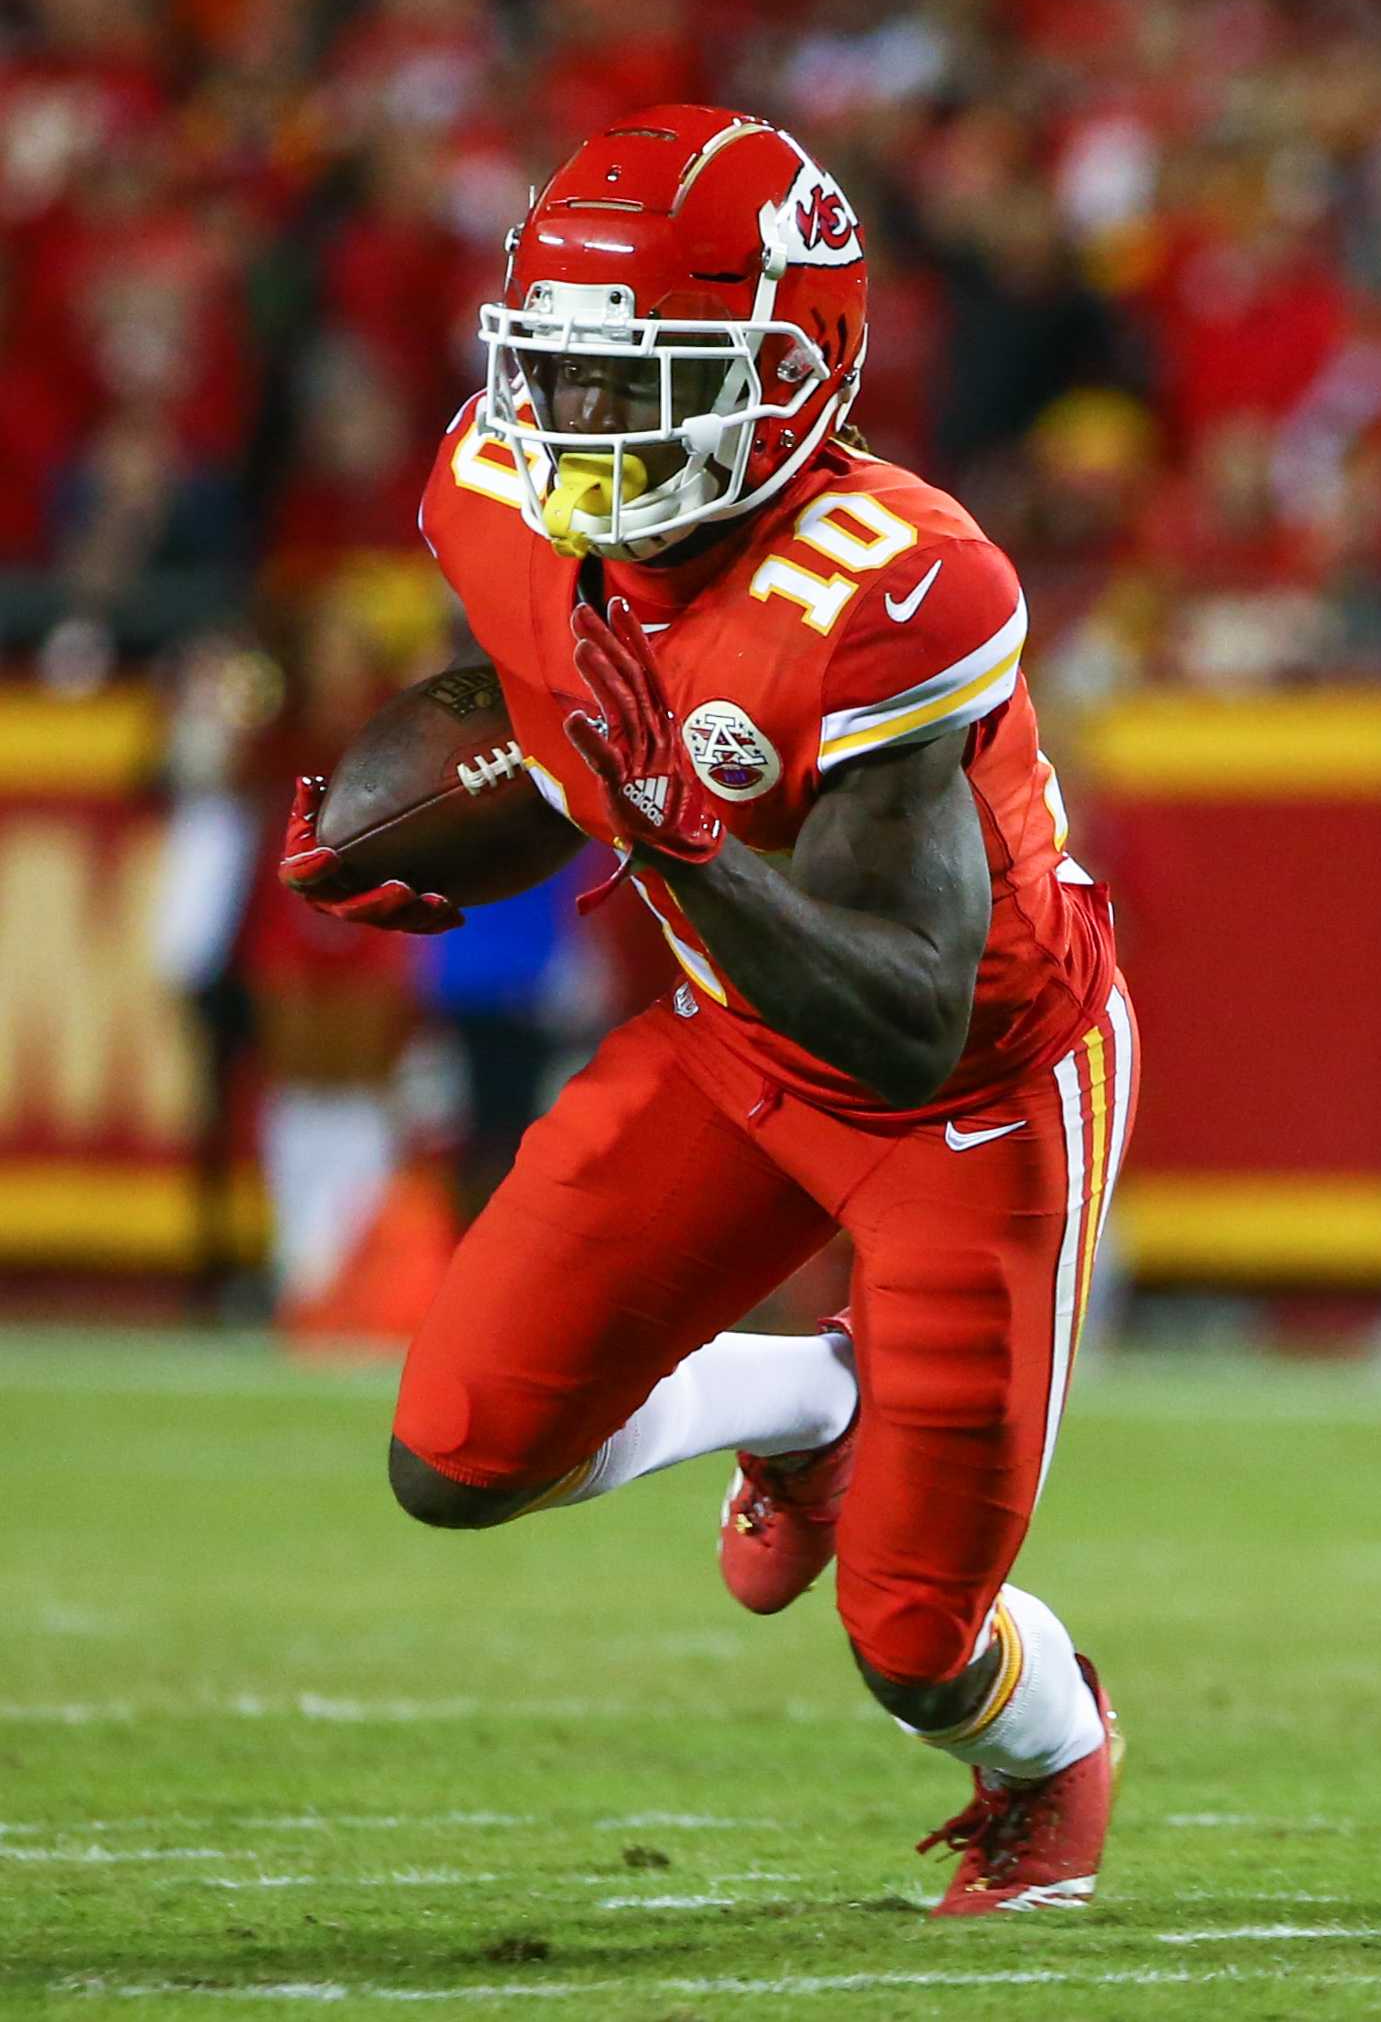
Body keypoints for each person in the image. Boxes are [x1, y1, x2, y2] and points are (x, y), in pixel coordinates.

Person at [279, 105, 1138, 1917]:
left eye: (640, 379)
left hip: (972, 1085)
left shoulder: (895, 587)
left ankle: (1051, 1750)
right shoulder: (497, 485)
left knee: (912, 1639)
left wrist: (666, 834)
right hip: (734, 1027)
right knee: (454, 1455)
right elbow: (556, 704)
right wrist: (426, 829)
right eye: (559, 370)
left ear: (792, 373)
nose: (581, 425)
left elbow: (905, 1012)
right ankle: (807, 1407)